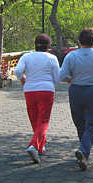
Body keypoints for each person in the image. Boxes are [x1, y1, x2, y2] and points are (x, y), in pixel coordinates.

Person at [59, 28, 93, 170]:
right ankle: (84, 150)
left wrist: (71, 78)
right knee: (92, 124)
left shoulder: (71, 56)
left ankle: (83, 149)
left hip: (76, 91)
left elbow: (62, 76)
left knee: (79, 122)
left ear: (79, 41)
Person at [14, 34, 60, 164]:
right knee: (43, 120)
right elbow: (57, 79)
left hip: (29, 90)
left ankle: (40, 145)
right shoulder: (52, 58)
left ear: (35, 45)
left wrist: (22, 79)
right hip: (46, 90)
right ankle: (34, 145)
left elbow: (17, 70)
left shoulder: (26, 56)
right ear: (49, 46)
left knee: (34, 118)